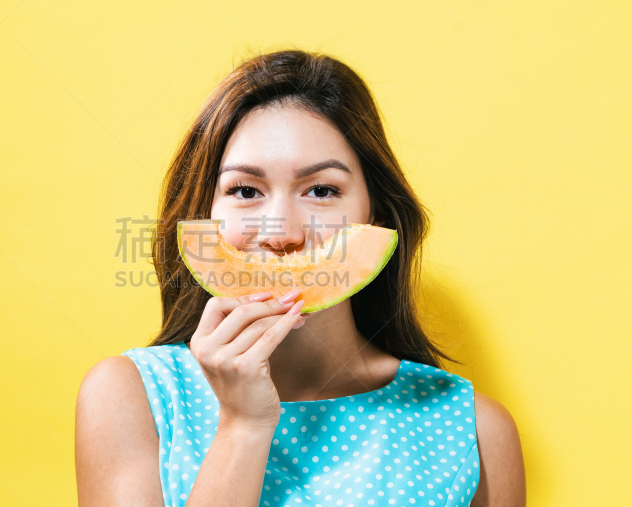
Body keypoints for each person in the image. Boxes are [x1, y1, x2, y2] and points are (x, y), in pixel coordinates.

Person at [75, 49, 525, 507]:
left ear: (377, 214)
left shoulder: (475, 430)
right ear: (203, 215)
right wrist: (243, 426)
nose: (283, 234)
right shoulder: (128, 398)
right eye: (245, 191)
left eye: (322, 191)